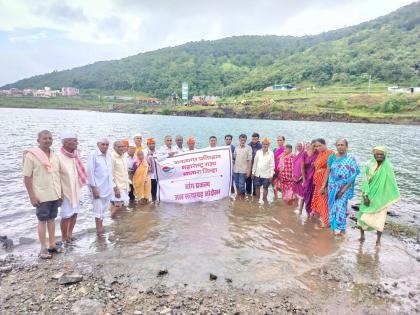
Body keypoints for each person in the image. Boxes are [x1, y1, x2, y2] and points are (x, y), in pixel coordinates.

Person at [23, 130, 63, 259]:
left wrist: (61, 193)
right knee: (42, 220)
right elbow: (27, 178)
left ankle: (52, 244)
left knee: (52, 219)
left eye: (50, 138)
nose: (48, 140)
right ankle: (43, 248)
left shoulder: (54, 155)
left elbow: (57, 175)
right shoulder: (31, 155)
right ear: (38, 140)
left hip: (55, 193)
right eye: (45, 138)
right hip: (41, 194)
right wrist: (32, 196)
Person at [358, 146, 400, 247]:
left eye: (382, 154)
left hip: (381, 198)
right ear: (374, 154)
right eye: (377, 154)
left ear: (385, 155)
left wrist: (388, 196)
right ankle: (362, 236)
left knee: (380, 220)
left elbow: (391, 183)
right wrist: (365, 195)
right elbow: (364, 180)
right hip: (368, 194)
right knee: (362, 216)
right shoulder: (368, 165)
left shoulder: (387, 166)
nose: (379, 156)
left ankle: (378, 240)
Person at [322, 139, 360, 234]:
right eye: (338, 145)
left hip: (344, 187)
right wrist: (324, 186)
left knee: (341, 207)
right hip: (332, 186)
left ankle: (342, 230)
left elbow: (352, 176)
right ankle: (333, 228)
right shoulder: (332, 157)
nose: (340, 146)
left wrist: (342, 190)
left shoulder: (351, 159)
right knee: (332, 207)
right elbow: (327, 172)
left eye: (342, 145)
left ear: (347, 147)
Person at [58, 132, 87, 244]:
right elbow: (56, 176)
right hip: (65, 191)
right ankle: (64, 238)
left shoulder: (76, 154)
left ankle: (70, 235)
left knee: (75, 212)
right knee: (66, 215)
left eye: (76, 140)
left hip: (77, 188)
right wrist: (59, 192)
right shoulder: (58, 156)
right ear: (66, 142)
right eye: (74, 141)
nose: (77, 143)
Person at [87, 138, 114, 235]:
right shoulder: (93, 155)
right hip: (97, 188)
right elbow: (90, 172)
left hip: (107, 188)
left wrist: (113, 187)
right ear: (98, 144)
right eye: (103, 144)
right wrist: (93, 188)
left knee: (103, 211)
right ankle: (99, 232)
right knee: (98, 212)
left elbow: (110, 173)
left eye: (107, 144)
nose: (105, 146)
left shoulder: (109, 155)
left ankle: (101, 232)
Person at [311, 138, 334, 228]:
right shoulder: (320, 154)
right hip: (318, 182)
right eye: (316, 146)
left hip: (325, 183)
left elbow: (331, 169)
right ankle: (322, 219)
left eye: (320, 145)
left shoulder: (331, 153)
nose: (318, 148)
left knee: (324, 202)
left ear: (325, 144)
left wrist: (325, 185)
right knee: (319, 201)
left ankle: (326, 223)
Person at [111, 141, 130, 217]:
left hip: (124, 185)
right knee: (118, 205)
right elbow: (110, 174)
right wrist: (115, 189)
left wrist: (128, 185)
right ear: (114, 147)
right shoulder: (112, 157)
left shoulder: (124, 156)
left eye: (122, 146)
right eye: (119, 147)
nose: (121, 148)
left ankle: (118, 224)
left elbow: (125, 172)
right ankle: (111, 219)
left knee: (123, 206)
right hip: (118, 186)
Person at [301, 141, 318, 216]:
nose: (315, 147)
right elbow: (302, 168)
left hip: (316, 179)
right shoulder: (305, 154)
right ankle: (308, 212)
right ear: (310, 145)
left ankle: (313, 212)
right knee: (306, 195)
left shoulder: (318, 153)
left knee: (315, 196)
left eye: (316, 146)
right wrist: (304, 179)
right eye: (313, 145)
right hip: (307, 178)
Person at [293, 142, 305, 213]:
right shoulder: (295, 155)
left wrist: (301, 177)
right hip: (294, 177)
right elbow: (293, 165)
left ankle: (300, 209)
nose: (299, 147)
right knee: (296, 193)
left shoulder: (304, 155)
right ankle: (297, 208)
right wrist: (292, 175)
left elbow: (305, 168)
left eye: (300, 146)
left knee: (301, 194)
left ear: (303, 147)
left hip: (301, 178)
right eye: (297, 146)